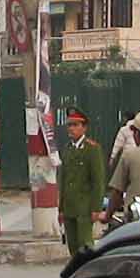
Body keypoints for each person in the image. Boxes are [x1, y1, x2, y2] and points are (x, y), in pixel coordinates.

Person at [57, 107, 105, 259]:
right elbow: (63, 179)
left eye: (75, 125)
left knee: (85, 245)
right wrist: (61, 208)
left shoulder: (92, 149)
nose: (71, 129)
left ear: (84, 127)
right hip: (69, 206)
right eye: (69, 125)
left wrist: (96, 208)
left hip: (84, 207)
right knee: (72, 246)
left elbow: (98, 180)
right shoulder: (67, 149)